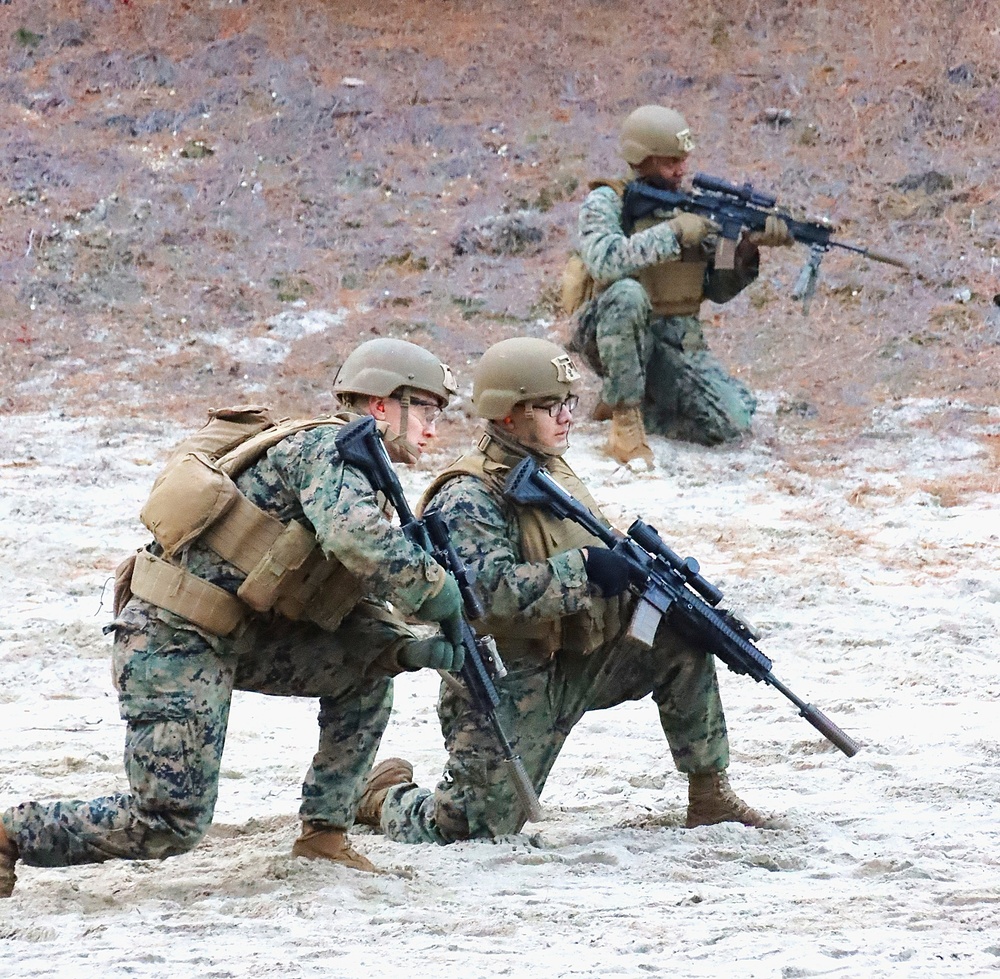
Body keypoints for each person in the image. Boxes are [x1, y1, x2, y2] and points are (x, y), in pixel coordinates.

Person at [0, 338, 467, 897]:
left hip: (234, 637)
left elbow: (337, 594)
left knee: (369, 670)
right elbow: (360, 542)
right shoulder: (330, 450)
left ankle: (325, 833)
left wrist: (401, 646)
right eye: (427, 410)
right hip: (172, 641)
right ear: (383, 404)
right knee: (169, 822)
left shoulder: (355, 468)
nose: (434, 428)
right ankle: (10, 834)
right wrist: (438, 592)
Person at [353, 337, 769, 846]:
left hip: (581, 656)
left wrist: (676, 603)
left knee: (683, 635)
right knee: (468, 830)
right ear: (508, 414)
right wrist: (584, 570)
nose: (567, 415)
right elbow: (483, 594)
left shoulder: (553, 470)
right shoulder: (468, 494)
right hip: (510, 679)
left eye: (569, 402)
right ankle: (380, 796)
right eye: (551, 406)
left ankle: (710, 795)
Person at [568, 104, 794, 465]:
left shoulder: (691, 206)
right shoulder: (608, 201)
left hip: (675, 341)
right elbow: (604, 261)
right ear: (642, 159)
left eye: (683, 160)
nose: (680, 169)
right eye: (669, 162)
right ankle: (625, 423)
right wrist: (673, 233)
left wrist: (746, 248)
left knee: (732, 423)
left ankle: (635, 404)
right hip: (609, 331)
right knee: (627, 293)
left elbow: (718, 289)